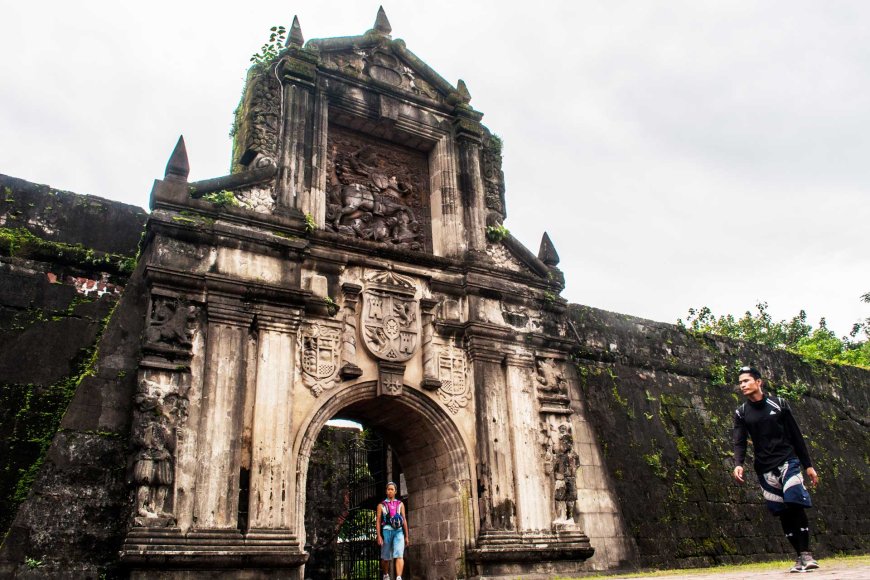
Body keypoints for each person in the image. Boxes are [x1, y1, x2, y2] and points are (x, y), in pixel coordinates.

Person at [731, 366, 821, 573]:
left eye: (746, 381)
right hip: (764, 468)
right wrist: (738, 463)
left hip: (788, 461)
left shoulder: (779, 404)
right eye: (740, 382)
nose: (742, 385)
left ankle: (806, 553)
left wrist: (808, 466)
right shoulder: (741, 412)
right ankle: (799, 556)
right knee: (782, 512)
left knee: (794, 502)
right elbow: (740, 441)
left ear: (758, 382)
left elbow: (796, 436)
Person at [376, 481, 409, 580]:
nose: (390, 491)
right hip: (386, 531)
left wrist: (406, 536)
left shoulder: (400, 504)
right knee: (386, 557)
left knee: (399, 554)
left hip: (399, 532)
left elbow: (404, 520)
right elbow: (378, 521)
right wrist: (379, 535)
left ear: (395, 491)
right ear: (386, 491)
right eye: (388, 489)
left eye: (392, 489)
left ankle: (399, 577)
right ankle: (386, 575)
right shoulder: (381, 505)